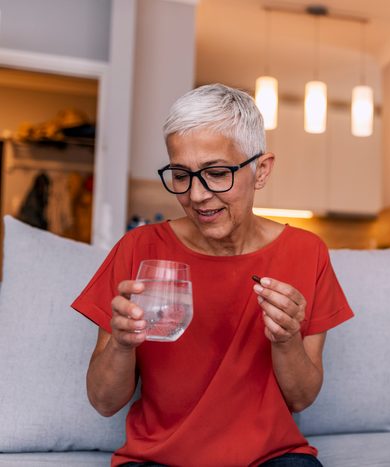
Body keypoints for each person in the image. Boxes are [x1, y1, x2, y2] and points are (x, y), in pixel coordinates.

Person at [72, 84, 354, 467]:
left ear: (261, 170)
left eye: (217, 173)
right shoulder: (139, 249)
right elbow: (104, 402)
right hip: (158, 460)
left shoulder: (306, 253)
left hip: (272, 458)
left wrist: (286, 339)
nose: (197, 195)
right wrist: (121, 346)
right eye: (181, 175)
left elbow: (301, 398)